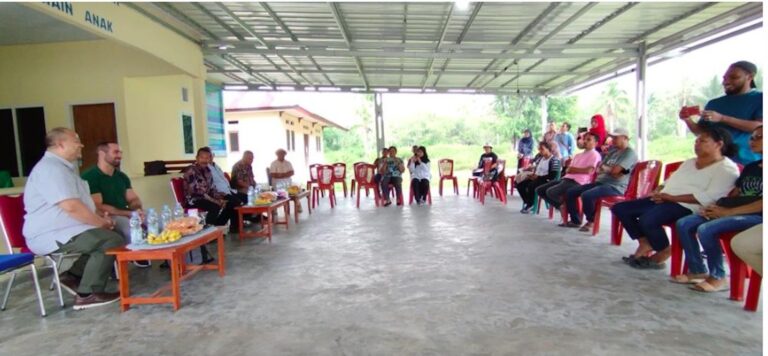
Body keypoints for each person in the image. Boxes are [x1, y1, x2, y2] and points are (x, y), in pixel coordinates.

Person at [611, 126, 739, 269]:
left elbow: (709, 197)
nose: (697, 144)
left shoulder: (726, 168)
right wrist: (658, 191)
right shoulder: (690, 162)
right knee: (620, 208)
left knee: (648, 219)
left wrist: (670, 198)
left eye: (702, 141)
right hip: (666, 199)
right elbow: (669, 182)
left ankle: (664, 250)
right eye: (696, 141)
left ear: (719, 144)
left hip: (689, 206)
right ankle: (644, 242)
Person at [23, 128, 123, 310]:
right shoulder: (50, 169)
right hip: (50, 233)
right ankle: (88, 294)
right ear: (60, 144)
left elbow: (80, 203)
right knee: (110, 240)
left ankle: (73, 276)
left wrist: (99, 217)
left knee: (109, 235)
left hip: (67, 229)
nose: (81, 145)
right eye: (76, 141)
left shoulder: (63, 168)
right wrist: (100, 223)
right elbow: (71, 207)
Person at [672, 125, 762, 291]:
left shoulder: (727, 166)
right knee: (685, 223)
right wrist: (715, 208)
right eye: (752, 137)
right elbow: (737, 194)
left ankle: (718, 276)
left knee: (707, 229)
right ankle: (698, 270)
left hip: (758, 216)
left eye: (759, 137)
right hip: (735, 210)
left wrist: (727, 212)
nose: (753, 141)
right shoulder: (752, 167)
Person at [679, 61, 762, 165]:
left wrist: (722, 118)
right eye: (724, 78)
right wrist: (687, 120)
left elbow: (759, 127)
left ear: (749, 77)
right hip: (714, 162)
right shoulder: (714, 103)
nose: (726, 82)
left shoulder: (760, 98)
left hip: (747, 162)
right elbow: (701, 132)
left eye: (734, 77)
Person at [81, 142, 150, 268]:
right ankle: (136, 256)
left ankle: (166, 257)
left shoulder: (121, 176)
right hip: (106, 216)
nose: (120, 156)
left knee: (157, 218)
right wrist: (129, 214)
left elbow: (133, 198)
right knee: (127, 227)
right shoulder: (90, 177)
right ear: (102, 154)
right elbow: (98, 206)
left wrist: (138, 210)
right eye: (116, 152)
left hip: (127, 213)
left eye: (120, 152)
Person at [563, 127, 638, 231]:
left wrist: (608, 170)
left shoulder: (629, 153)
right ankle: (575, 220)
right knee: (571, 192)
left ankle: (591, 220)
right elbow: (599, 168)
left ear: (625, 138)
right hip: (601, 182)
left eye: (616, 138)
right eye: (612, 137)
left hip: (615, 186)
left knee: (587, 195)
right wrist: (610, 170)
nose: (613, 140)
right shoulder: (613, 151)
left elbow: (615, 172)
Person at [535, 133, 601, 216]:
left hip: (579, 182)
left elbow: (589, 171)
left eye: (589, 140)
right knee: (539, 190)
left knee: (551, 192)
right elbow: (568, 170)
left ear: (596, 143)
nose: (585, 141)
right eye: (585, 139)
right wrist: (572, 170)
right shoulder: (578, 155)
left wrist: (573, 170)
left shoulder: (595, 155)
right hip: (567, 179)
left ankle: (570, 211)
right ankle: (562, 206)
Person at [183, 147, 239, 234]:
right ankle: (208, 233)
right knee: (215, 207)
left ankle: (216, 227)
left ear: (210, 158)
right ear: (197, 158)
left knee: (229, 203)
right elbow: (199, 192)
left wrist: (221, 197)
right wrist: (216, 201)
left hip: (206, 198)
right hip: (194, 199)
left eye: (207, 158)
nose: (204, 160)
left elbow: (212, 189)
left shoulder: (208, 171)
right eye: (202, 158)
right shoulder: (191, 170)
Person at [516, 141, 561, 214]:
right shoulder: (540, 159)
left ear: (548, 149)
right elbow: (537, 170)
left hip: (547, 180)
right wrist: (533, 175)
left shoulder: (554, 160)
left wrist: (538, 177)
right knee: (520, 185)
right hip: (537, 178)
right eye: (539, 149)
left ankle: (530, 204)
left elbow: (553, 176)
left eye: (542, 149)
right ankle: (528, 202)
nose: (540, 151)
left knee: (531, 186)